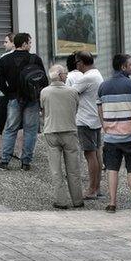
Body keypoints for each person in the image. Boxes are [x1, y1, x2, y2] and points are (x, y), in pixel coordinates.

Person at [0, 33, 48, 170]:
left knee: (10, 129)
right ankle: (26, 162)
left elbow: (0, 84)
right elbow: (44, 81)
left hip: (14, 99)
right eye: (29, 43)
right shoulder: (35, 59)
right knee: (30, 130)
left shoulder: (5, 60)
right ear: (24, 44)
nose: (31, 45)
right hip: (32, 99)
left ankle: (5, 160)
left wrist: (10, 94)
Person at [98, 54, 131, 213]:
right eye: (130, 65)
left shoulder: (103, 86)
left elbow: (99, 107)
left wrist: (105, 125)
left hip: (111, 136)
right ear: (123, 67)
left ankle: (112, 203)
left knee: (112, 169)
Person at [40, 64, 84, 210]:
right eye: (65, 73)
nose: (66, 76)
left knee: (56, 169)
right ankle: (77, 200)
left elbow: (43, 109)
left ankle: (61, 200)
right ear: (59, 75)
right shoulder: (72, 92)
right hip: (70, 131)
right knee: (73, 168)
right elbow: (75, 109)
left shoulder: (44, 92)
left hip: (51, 131)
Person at [71, 51, 105, 199]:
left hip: (85, 120)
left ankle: (91, 189)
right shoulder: (97, 74)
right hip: (95, 119)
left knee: (90, 154)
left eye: (77, 62)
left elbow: (70, 93)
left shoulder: (87, 77)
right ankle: (97, 188)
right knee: (97, 153)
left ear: (80, 63)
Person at [0, 33, 23, 160]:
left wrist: (6, 92)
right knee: (19, 124)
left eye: (6, 42)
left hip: (5, 95)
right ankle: (20, 152)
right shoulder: (26, 57)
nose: (4, 44)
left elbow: (1, 79)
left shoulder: (5, 57)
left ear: (13, 43)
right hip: (20, 95)